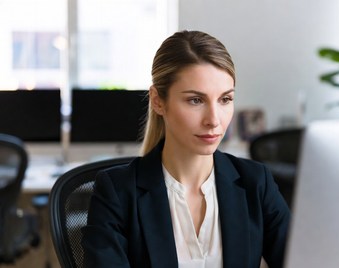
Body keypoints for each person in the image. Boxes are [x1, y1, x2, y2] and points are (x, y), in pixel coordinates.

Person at [82, 30, 291, 268]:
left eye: (225, 99)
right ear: (158, 101)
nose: (214, 120)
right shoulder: (117, 191)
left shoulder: (255, 182)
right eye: (195, 100)